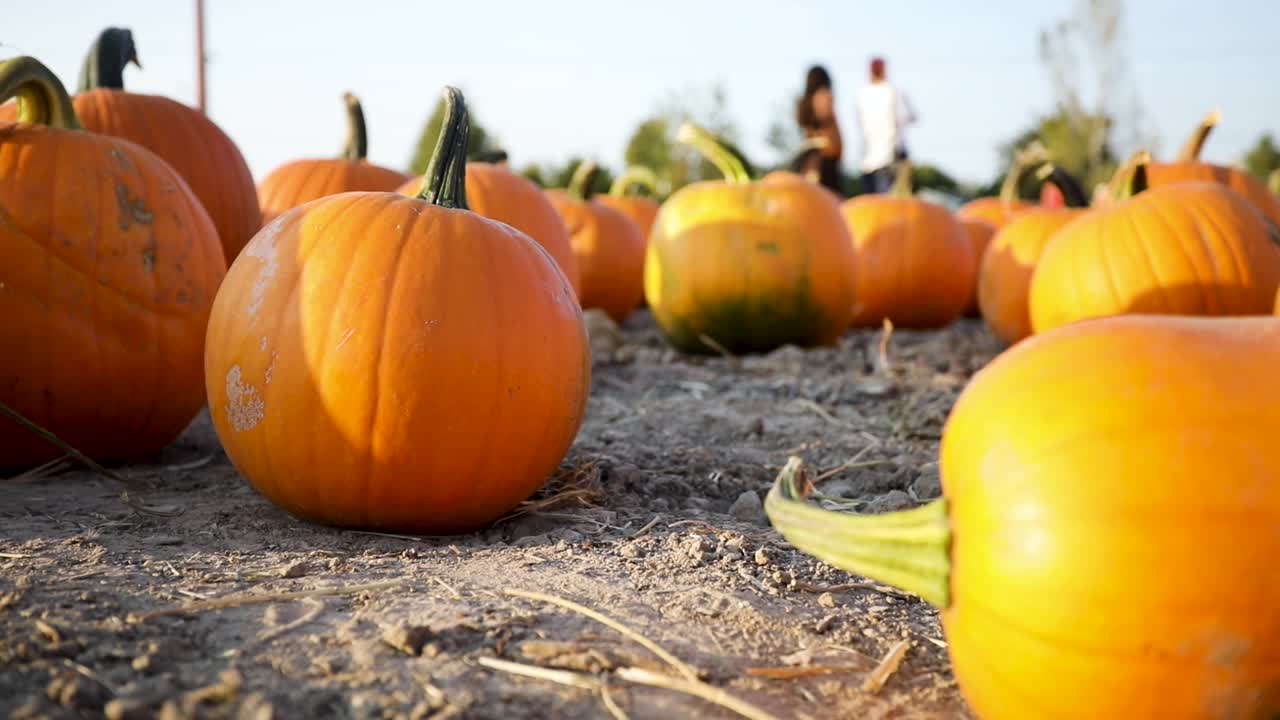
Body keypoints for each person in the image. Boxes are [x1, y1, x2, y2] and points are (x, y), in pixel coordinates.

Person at [855, 56, 917, 194]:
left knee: (873, 203)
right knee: (894, 200)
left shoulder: (862, 93)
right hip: (891, 154)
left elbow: (860, 122)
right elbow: (908, 116)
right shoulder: (893, 91)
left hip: (869, 157)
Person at [792, 65, 844, 194]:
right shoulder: (824, 96)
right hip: (826, 155)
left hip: (808, 155)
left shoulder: (803, 102)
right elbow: (828, 122)